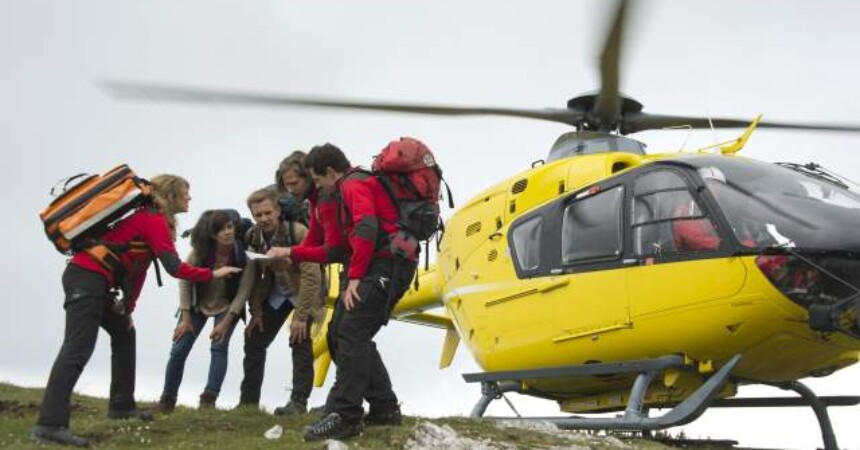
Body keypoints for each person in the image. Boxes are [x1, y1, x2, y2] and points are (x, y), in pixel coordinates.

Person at [32, 174, 242, 447]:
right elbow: (174, 267)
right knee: (77, 347)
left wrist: (128, 309)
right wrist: (214, 273)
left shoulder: (153, 221)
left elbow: (139, 268)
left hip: (96, 280)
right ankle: (49, 424)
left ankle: (121, 406)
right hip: (86, 277)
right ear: (169, 196)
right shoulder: (151, 219)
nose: (189, 198)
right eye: (185, 193)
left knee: (124, 333)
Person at [268, 143, 417, 441]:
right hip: (378, 264)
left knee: (351, 333)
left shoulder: (350, 185)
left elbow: (365, 228)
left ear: (329, 173)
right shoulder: (332, 194)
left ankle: (345, 416)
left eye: (314, 178)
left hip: (385, 265)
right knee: (340, 334)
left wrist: (355, 278)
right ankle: (384, 407)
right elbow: (326, 245)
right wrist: (293, 254)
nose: (318, 185)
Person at [155, 210, 254, 413]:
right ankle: (167, 400)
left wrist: (226, 322)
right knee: (178, 350)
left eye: (229, 227)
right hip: (196, 305)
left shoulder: (244, 254)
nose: (227, 232)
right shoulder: (200, 252)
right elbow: (184, 281)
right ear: (211, 234)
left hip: (228, 306)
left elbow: (244, 291)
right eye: (220, 230)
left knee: (219, 348)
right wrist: (185, 318)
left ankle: (209, 399)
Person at [237, 188, 324, 415]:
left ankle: (298, 402)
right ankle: (248, 404)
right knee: (254, 339)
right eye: (258, 215)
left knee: (300, 340)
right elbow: (255, 276)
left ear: (277, 211)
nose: (264, 219)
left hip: (304, 292)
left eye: (268, 213)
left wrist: (302, 315)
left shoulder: (299, 232)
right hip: (275, 293)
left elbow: (312, 275)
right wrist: (255, 310)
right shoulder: (253, 237)